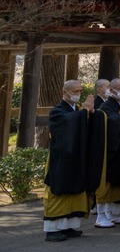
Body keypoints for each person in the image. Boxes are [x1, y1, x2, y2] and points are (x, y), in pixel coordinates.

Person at [43, 80, 98, 242]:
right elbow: (66, 124)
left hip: (77, 157)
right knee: (58, 191)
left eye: (80, 91)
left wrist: (91, 114)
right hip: (61, 158)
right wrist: (84, 113)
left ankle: (68, 225)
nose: (77, 94)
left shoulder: (79, 110)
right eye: (74, 91)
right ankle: (52, 229)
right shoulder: (57, 111)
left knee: (76, 191)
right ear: (64, 92)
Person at [93, 78, 120, 228]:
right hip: (109, 151)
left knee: (116, 184)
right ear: (111, 90)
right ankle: (100, 216)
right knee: (106, 184)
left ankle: (110, 214)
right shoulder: (106, 107)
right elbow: (114, 123)